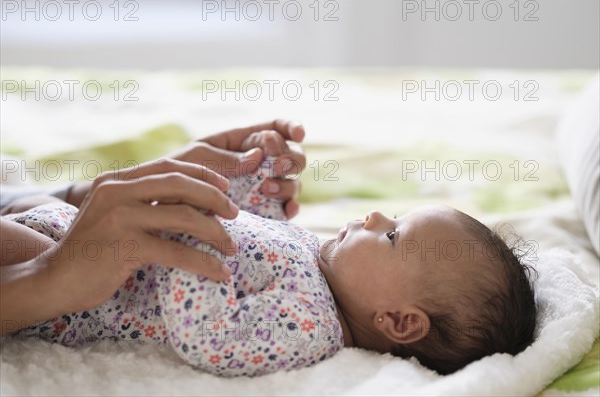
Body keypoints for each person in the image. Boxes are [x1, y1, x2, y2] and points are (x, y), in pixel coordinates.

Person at [2, 130, 538, 377]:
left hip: (83, 294)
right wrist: (251, 182)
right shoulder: (323, 260)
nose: (376, 217)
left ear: (399, 321)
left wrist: (194, 234)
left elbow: (212, 338)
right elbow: (254, 238)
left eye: (393, 235)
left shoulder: (310, 328)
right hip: (84, 230)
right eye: (392, 213)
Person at [0, 119, 306, 336]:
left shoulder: (318, 310)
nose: (357, 219)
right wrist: (45, 277)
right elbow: (211, 333)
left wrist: (85, 197)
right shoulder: (313, 314)